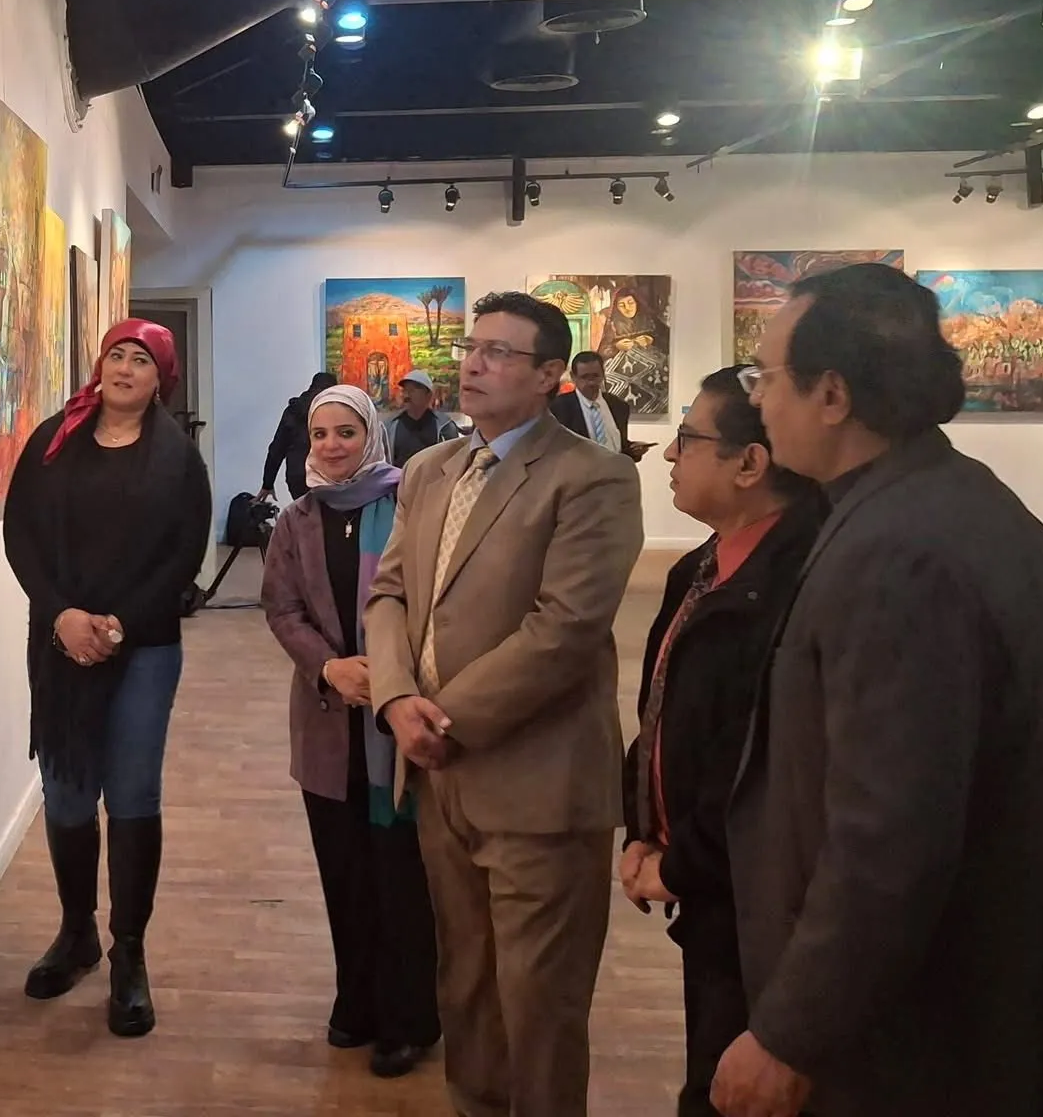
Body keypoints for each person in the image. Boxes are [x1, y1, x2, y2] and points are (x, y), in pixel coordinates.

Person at [715, 263, 1043, 1117]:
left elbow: (890, 837)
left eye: (767, 377)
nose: (759, 401)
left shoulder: (897, 554)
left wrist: (791, 1033)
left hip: (914, 1037)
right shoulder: (948, 500)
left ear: (832, 395)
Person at [366, 291, 644, 1117]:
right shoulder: (430, 470)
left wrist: (440, 718)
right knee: (467, 986)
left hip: (537, 781)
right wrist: (395, 699)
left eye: (499, 352)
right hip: (437, 774)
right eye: (472, 348)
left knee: (539, 1003)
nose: (474, 365)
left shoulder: (593, 478)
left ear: (550, 374)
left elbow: (564, 628)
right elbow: (388, 595)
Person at [619, 368, 826, 1117]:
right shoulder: (701, 566)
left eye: (688, 438)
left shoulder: (798, 585)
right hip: (707, 893)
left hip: (759, 904)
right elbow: (663, 715)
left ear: (749, 464)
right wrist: (641, 828)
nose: (671, 455)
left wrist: (679, 864)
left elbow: (753, 762)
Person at [4, 319, 214, 1040]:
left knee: (130, 795)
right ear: (100, 366)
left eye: (141, 361)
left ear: (161, 380)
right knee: (66, 790)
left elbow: (184, 554)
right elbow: (21, 536)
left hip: (143, 648)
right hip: (59, 643)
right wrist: (62, 614)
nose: (125, 368)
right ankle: (76, 934)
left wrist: (119, 623)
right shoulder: (53, 441)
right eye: (116, 355)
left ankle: (129, 953)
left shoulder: (178, 460)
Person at [261, 385, 441, 1079]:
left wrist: (389, 674)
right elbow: (282, 610)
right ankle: (356, 1000)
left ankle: (409, 1018)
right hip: (329, 724)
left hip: (399, 722)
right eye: (320, 435)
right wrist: (330, 667)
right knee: (344, 872)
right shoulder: (297, 520)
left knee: (402, 878)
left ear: (371, 436)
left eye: (346, 432)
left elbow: (429, 604)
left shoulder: (408, 506)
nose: (332, 446)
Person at [549, 350, 651, 462]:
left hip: (614, 471)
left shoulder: (619, 406)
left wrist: (633, 450)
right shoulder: (559, 407)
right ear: (573, 377)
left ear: (603, 374)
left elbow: (619, 446)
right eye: (585, 377)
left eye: (595, 376)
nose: (591, 382)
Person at [259, 371, 337, 503]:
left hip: (297, 477)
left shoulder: (293, 410)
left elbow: (277, 449)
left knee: (306, 513)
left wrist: (267, 483)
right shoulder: (335, 411)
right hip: (326, 475)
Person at [387, 369, 463, 468]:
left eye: (412, 391)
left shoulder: (445, 427)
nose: (406, 396)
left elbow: (454, 462)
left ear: (428, 395)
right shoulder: (390, 426)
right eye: (405, 390)